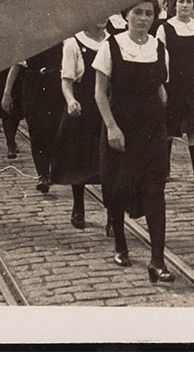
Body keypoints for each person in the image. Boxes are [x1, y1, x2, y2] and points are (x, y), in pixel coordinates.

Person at [94, 0, 174, 282]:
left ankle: (157, 261)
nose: (143, 18)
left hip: (152, 130)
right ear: (126, 16)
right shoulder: (111, 47)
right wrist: (112, 128)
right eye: (137, 13)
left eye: (149, 13)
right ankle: (120, 244)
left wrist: (163, 119)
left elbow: (160, 88)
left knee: (155, 191)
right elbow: (100, 93)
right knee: (118, 188)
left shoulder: (159, 48)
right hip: (121, 128)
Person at [53, 18, 109, 229]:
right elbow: (66, 80)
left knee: (107, 160)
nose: (102, 18)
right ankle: (78, 207)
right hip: (83, 105)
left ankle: (112, 212)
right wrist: (71, 101)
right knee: (79, 160)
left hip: (105, 105)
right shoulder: (73, 44)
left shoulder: (112, 42)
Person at [156, 0, 194, 190]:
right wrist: (162, 84)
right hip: (173, 83)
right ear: (174, 5)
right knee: (170, 127)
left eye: (188, 2)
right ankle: (164, 170)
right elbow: (162, 58)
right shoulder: (165, 28)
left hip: (192, 84)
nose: (185, 5)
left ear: (193, 5)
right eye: (181, 1)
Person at [2, 42, 65, 194]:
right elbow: (16, 65)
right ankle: (42, 174)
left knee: (54, 128)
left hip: (56, 83)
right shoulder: (28, 38)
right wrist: (7, 93)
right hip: (33, 84)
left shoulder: (62, 34)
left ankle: (51, 169)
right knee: (36, 130)